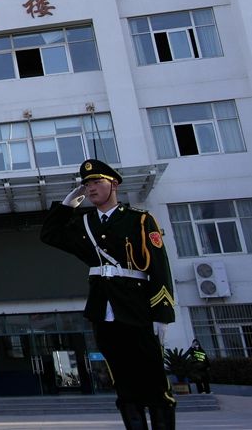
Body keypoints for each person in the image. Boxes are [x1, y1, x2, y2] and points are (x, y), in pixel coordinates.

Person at [41, 159, 176, 430]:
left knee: (154, 382)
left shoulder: (139, 220)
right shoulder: (85, 223)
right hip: (103, 310)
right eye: (86, 184)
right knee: (124, 385)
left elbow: (159, 267)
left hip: (138, 308)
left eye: (96, 182)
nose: (90, 188)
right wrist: (67, 206)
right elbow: (50, 235)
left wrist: (162, 314)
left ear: (113, 184)